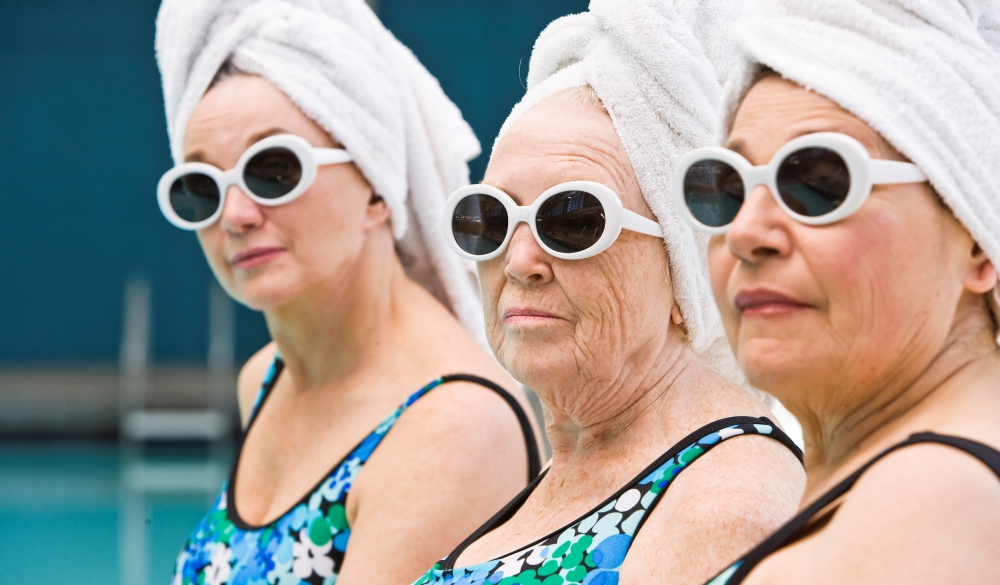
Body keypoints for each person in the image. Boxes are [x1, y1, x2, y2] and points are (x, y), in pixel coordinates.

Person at [414, 2, 806, 584]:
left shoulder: (725, 500)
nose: (520, 262)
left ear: (685, 271)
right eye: (490, 219)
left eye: (573, 221)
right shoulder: (580, 472)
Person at [154, 1, 542, 584]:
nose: (233, 215)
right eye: (200, 187)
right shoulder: (264, 380)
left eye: (273, 170)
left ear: (376, 187)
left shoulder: (454, 426)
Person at [670, 1, 1000, 582]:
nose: (745, 232)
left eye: (819, 183)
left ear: (977, 240)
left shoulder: (935, 503)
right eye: (726, 187)